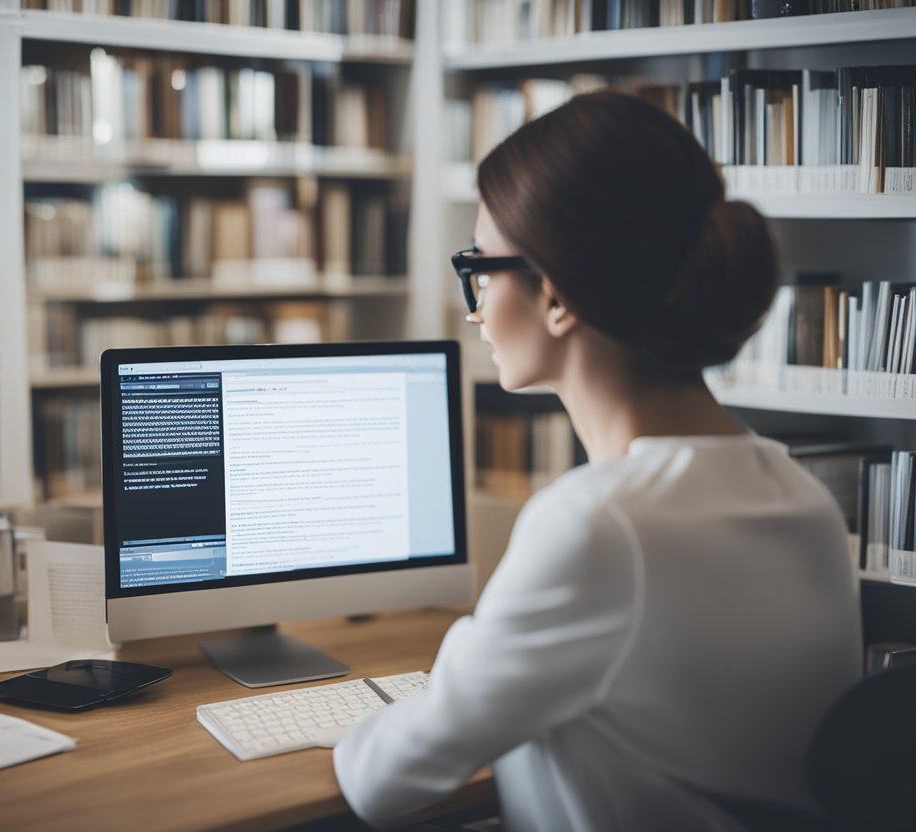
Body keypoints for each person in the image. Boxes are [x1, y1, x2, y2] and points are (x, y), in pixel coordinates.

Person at [331, 91, 862, 831]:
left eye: (480, 268)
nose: (474, 307)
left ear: (555, 296)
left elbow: (380, 781)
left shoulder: (597, 525)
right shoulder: (801, 497)